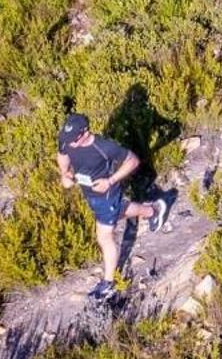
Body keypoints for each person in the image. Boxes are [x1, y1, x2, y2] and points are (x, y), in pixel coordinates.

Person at [58, 112, 171, 299]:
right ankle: (154, 210)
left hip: (107, 195)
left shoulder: (104, 146)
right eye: (67, 139)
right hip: (90, 194)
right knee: (119, 211)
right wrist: (65, 173)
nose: (69, 143)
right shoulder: (67, 139)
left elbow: (133, 160)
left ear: (85, 133)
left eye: (73, 140)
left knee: (104, 236)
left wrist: (110, 181)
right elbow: (62, 154)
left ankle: (108, 283)